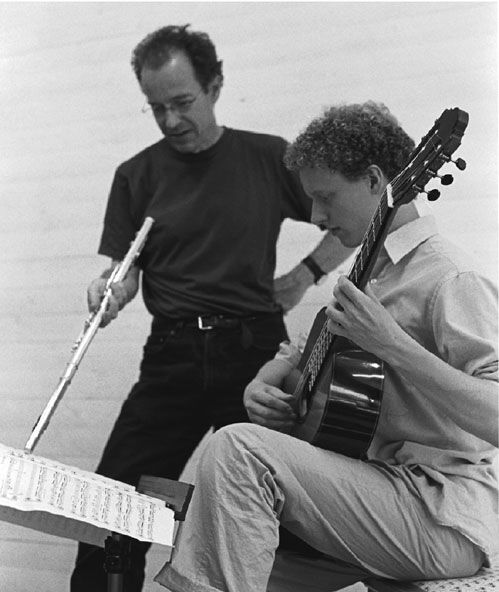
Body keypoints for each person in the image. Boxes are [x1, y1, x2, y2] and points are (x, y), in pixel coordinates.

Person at [154, 101, 499, 592]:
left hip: (438, 513)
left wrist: (393, 345)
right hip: (369, 493)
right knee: (226, 547)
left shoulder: (451, 278)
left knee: (238, 448)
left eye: (325, 197)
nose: (316, 217)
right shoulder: (371, 274)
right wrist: (264, 381)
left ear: (376, 181)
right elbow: (302, 351)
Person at [70, 25, 351, 592]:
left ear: (215, 86)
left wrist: (303, 276)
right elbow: (124, 271)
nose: (170, 120)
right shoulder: (136, 175)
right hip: (172, 355)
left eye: (182, 102)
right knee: (110, 508)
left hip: (254, 353)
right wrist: (111, 290)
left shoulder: (268, 157)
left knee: (289, 509)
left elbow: (348, 217)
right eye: (156, 108)